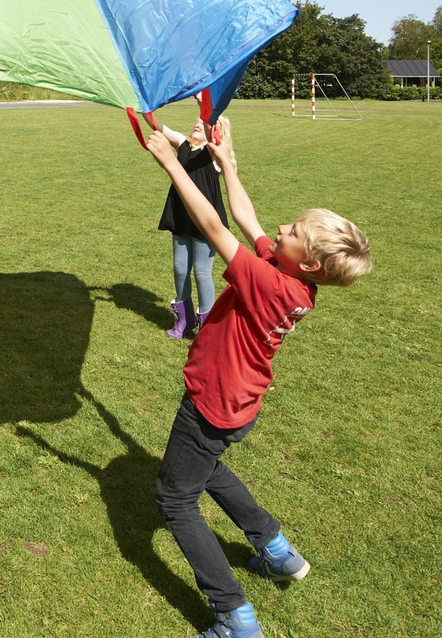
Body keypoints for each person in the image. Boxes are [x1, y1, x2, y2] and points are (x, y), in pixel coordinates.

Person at [144, 126, 371, 638]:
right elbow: (245, 219)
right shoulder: (294, 281)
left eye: (292, 230)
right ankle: (275, 550)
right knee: (209, 468)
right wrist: (229, 165)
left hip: (213, 399)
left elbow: (214, 225)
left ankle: (233, 616)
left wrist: (173, 164)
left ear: (308, 262)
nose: (282, 228)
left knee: (176, 500)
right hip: (241, 401)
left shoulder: (266, 281)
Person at [155, 107, 236, 339]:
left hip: (207, 222)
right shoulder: (182, 144)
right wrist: (144, 109)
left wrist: (207, 110)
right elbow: (159, 127)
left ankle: (206, 327)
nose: (198, 124)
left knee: (201, 273)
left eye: (205, 123)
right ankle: (184, 319)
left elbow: (213, 134)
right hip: (181, 216)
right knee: (180, 269)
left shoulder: (215, 154)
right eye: (196, 122)